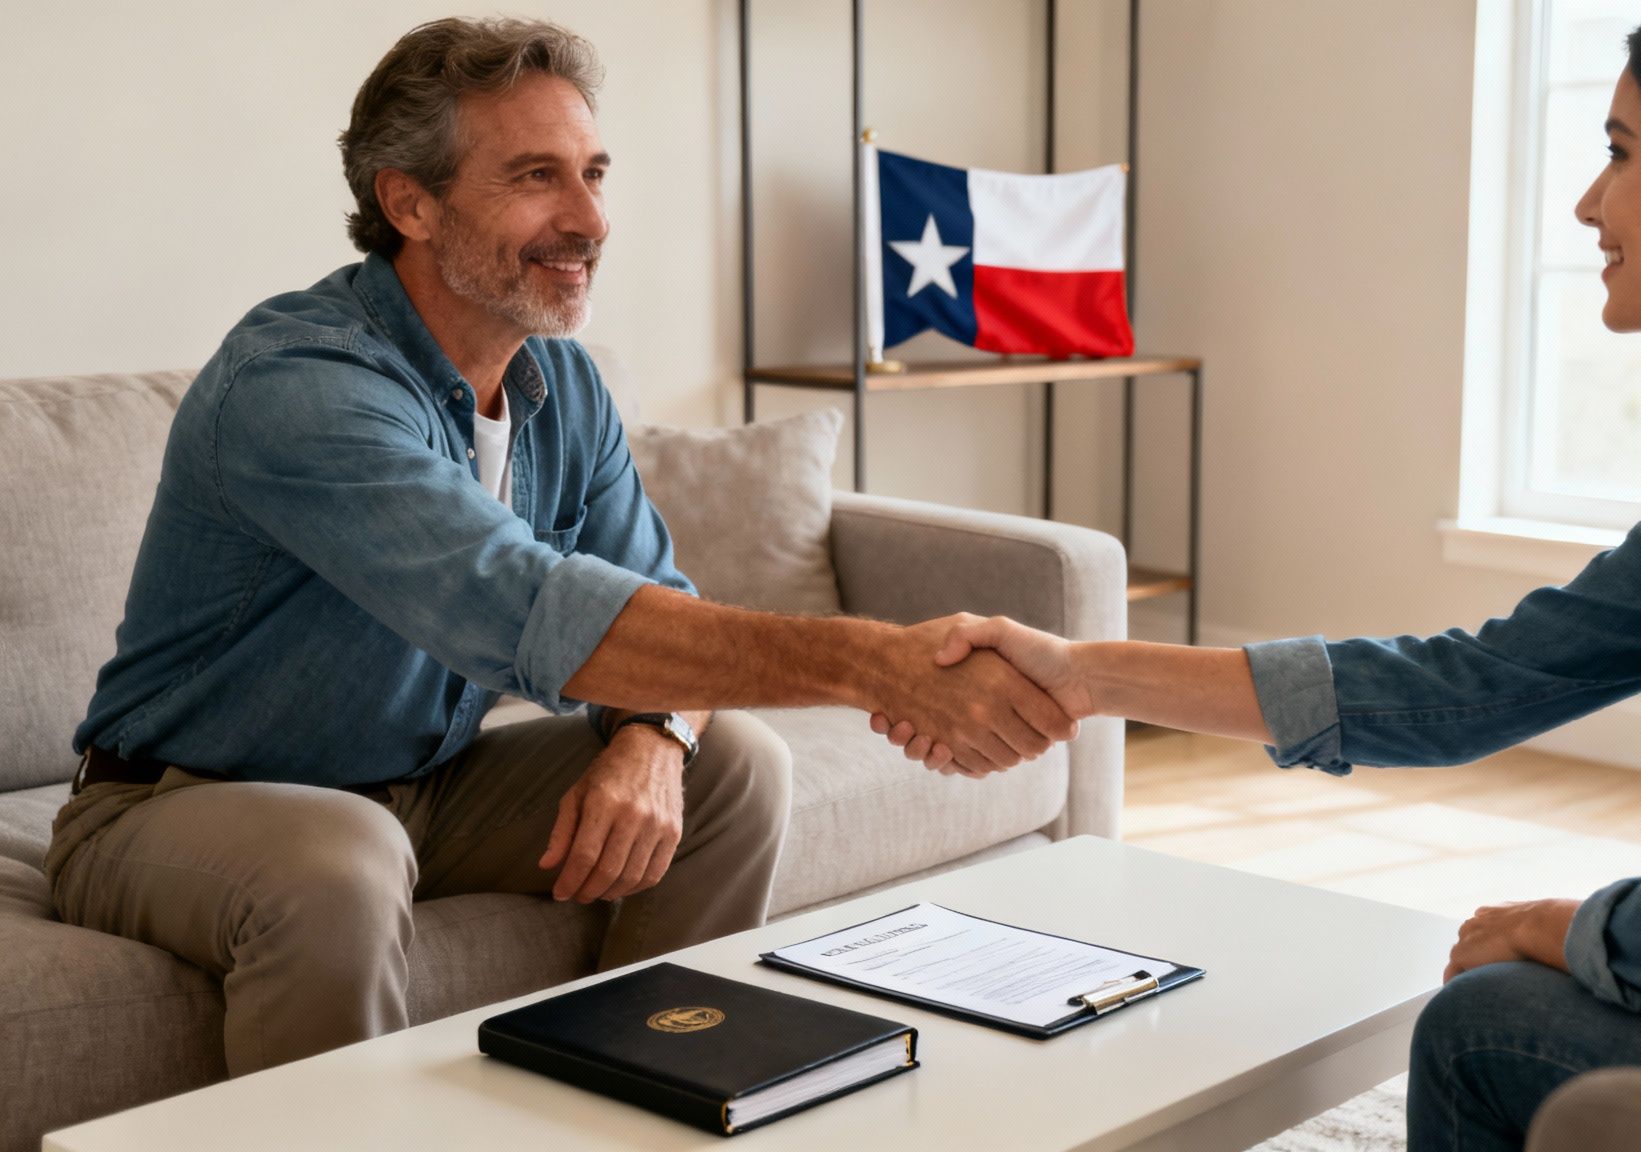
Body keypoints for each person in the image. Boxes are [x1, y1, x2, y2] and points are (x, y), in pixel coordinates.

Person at [873, 0, 1641, 1143]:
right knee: (1566, 988)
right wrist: (1081, 674)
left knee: (1492, 1028)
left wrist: (1559, 927)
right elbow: (1473, 683)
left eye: (1617, 153)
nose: (1588, 203)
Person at [47, 17, 1075, 1078]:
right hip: (175, 805)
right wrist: (874, 663)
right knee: (341, 861)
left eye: (593, 173)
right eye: (535, 177)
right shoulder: (301, 387)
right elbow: (522, 606)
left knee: (730, 768)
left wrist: (651, 743)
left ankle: (644, 1093)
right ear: (409, 201)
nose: (587, 220)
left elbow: (652, 594)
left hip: (419, 786)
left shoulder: (560, 378)